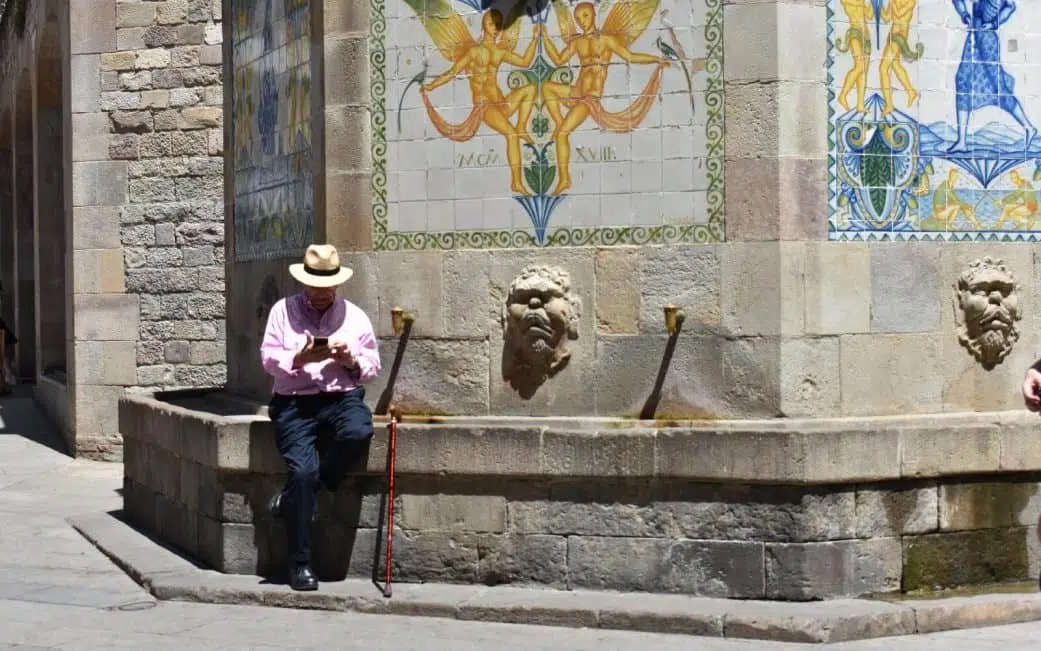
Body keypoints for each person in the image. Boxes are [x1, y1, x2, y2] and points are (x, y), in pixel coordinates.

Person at [259, 244, 381, 591]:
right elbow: (268, 359)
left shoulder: (354, 316)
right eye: (315, 286)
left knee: (358, 432)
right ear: (304, 283)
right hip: (294, 401)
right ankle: (299, 564)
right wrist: (299, 358)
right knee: (301, 471)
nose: (321, 293)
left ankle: (301, 493)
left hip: (341, 397)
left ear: (337, 285)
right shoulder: (282, 312)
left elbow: (371, 368)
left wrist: (349, 360)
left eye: (327, 287)